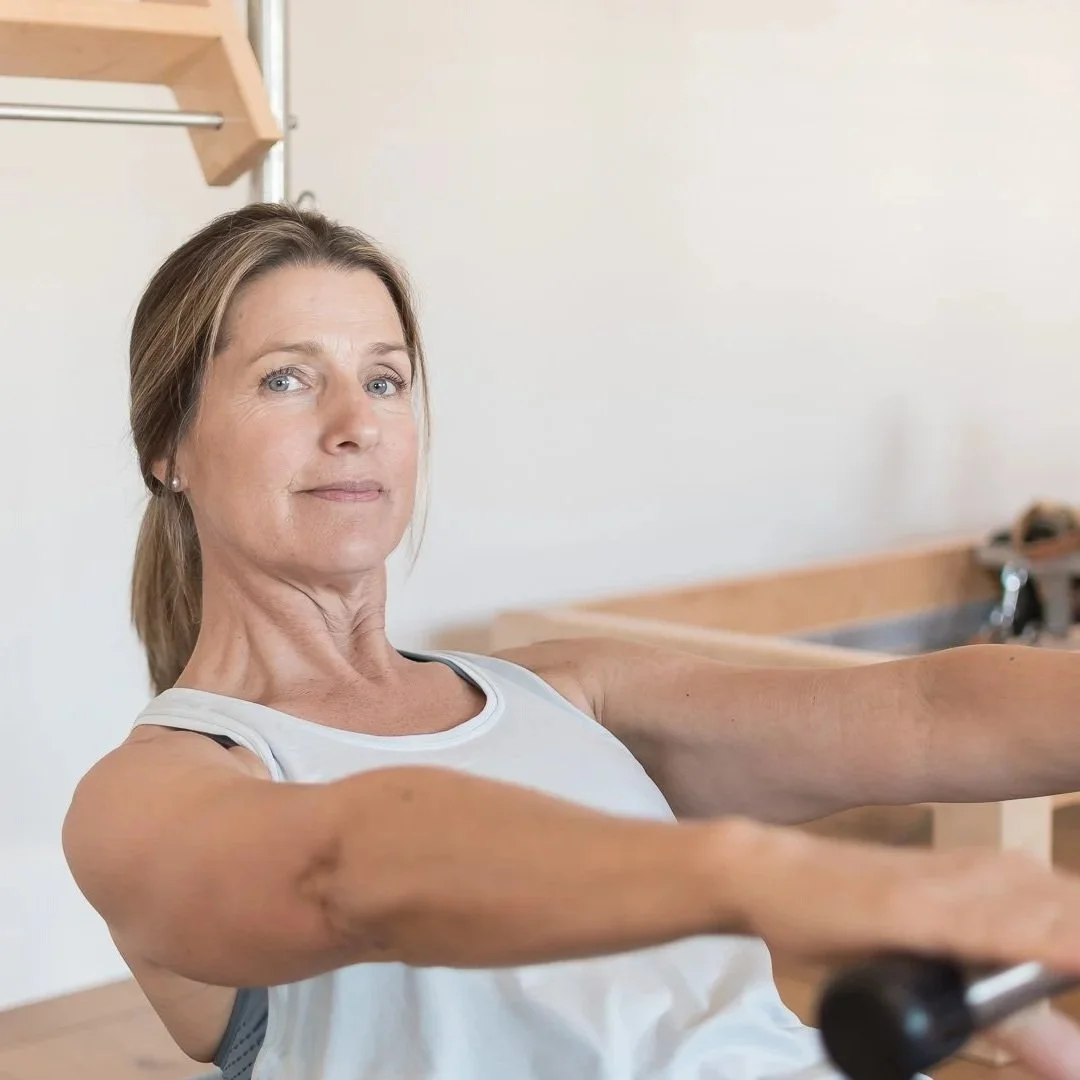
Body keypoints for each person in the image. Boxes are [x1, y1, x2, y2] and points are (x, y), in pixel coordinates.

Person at [62, 202, 1080, 1080]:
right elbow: (357, 869)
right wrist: (823, 882)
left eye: (385, 380)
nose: (356, 423)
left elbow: (920, 712)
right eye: (288, 379)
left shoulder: (566, 693)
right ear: (168, 448)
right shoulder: (151, 797)